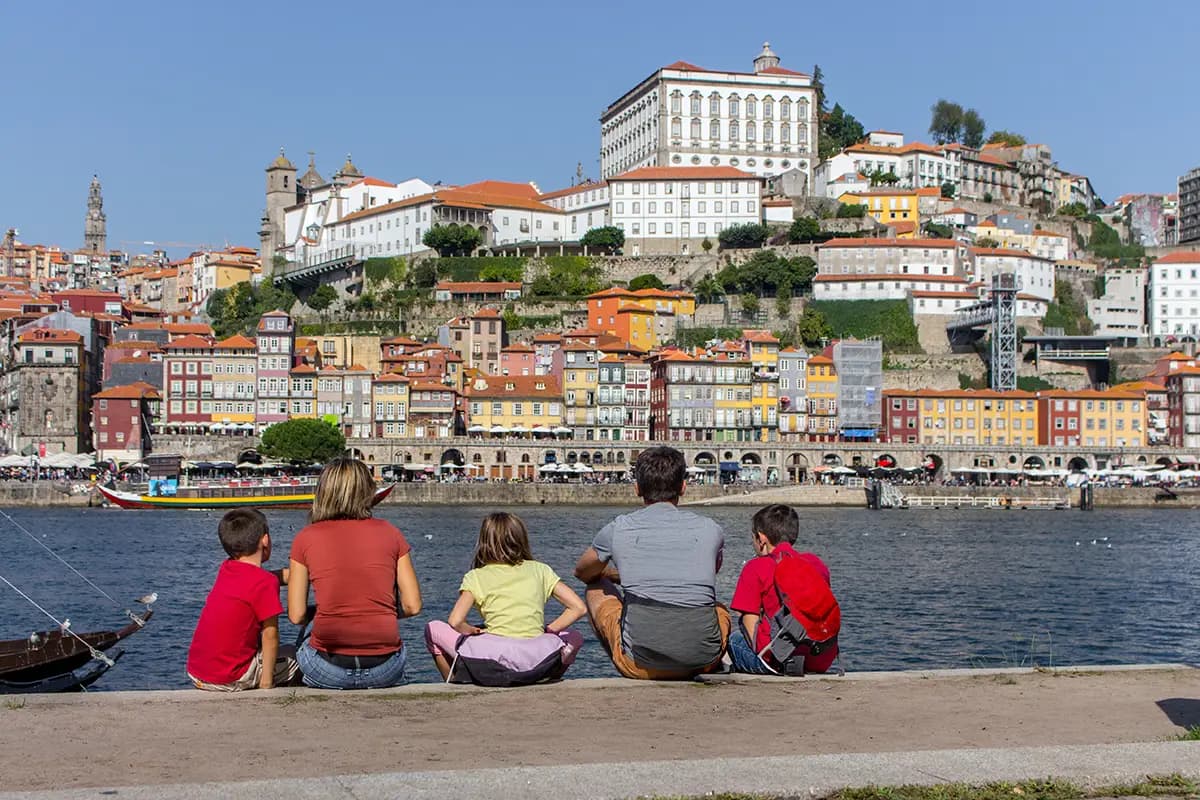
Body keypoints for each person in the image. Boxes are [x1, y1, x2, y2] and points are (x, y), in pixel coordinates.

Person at [574, 446, 730, 680]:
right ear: (683, 487)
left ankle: (626, 657)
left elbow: (583, 572)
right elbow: (709, 571)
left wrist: (612, 575)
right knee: (718, 608)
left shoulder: (618, 528)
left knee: (595, 589)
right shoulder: (711, 529)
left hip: (639, 665)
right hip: (703, 662)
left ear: (637, 488)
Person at [288, 458, 422, 689]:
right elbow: (412, 606)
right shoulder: (391, 533)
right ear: (367, 491)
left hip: (328, 671)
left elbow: (296, 615)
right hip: (385, 670)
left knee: (309, 629)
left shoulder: (305, 537)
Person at [424, 512, 586, 683]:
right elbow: (578, 608)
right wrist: (550, 630)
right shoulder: (541, 570)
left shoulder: (476, 576)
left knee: (432, 628)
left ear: (484, 542)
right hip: (536, 655)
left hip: (492, 656)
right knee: (575, 636)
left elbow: (455, 621)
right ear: (521, 539)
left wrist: (470, 630)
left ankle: (452, 682)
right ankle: (547, 678)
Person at [186, 508, 300, 691]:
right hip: (230, 678)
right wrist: (266, 682)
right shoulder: (264, 583)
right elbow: (270, 636)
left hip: (197, 673)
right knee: (298, 655)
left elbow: (258, 581)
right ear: (265, 540)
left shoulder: (227, 568)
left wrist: (296, 576)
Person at [727, 504, 838, 675]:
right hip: (821, 659)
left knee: (735, 639)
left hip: (778, 662)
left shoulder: (755, 567)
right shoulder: (816, 563)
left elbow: (751, 629)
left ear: (761, 538)